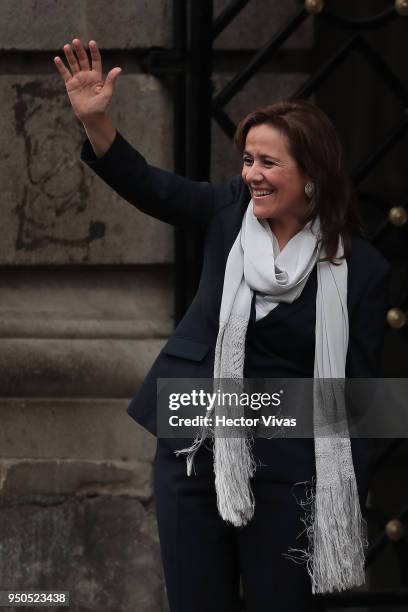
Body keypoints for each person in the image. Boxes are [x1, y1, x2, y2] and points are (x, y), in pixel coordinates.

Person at [54, 39, 391, 612]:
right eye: (248, 161)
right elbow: (149, 186)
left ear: (312, 175)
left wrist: (341, 488)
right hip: (193, 447)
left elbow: (357, 393)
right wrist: (97, 123)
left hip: (290, 469)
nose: (253, 175)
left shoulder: (363, 269)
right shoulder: (225, 213)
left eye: (268, 163)